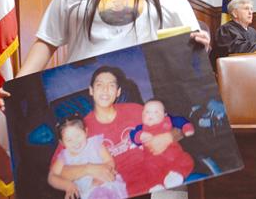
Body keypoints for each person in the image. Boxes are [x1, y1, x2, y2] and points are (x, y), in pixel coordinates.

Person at [0, 0, 211, 199]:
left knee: (132, 179)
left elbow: (189, 45)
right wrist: (17, 85)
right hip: (91, 108)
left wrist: (202, 46)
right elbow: (46, 42)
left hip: (130, 103)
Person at [49, 66, 183, 198]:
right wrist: (88, 169)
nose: (105, 90)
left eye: (111, 85)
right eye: (99, 85)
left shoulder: (136, 110)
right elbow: (56, 173)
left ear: (118, 92)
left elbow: (179, 127)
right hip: (115, 189)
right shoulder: (79, 129)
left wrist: (169, 136)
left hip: (158, 177)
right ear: (91, 90)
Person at [48, 113, 128, 199]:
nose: (75, 142)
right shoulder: (64, 156)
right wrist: (67, 185)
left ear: (86, 132)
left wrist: (103, 174)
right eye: (69, 140)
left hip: (108, 184)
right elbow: (52, 177)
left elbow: (109, 161)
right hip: (87, 193)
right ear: (62, 143)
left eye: (78, 136)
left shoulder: (95, 144)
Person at [130, 99, 195, 193]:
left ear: (165, 115)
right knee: (148, 172)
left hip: (174, 156)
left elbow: (180, 120)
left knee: (186, 160)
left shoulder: (168, 121)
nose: (150, 115)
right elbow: (132, 135)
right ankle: (155, 185)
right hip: (152, 161)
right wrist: (139, 136)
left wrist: (187, 128)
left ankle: (176, 175)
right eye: (147, 112)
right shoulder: (141, 128)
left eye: (156, 112)